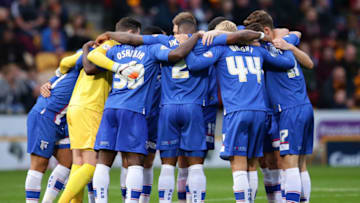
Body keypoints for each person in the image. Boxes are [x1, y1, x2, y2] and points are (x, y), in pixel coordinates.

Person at [90, 18, 202, 203]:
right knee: (135, 163)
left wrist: (112, 61)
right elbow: (176, 54)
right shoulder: (153, 49)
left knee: (103, 161)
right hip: (134, 110)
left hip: (110, 108)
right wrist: (195, 37)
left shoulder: (115, 50)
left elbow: (91, 61)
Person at [184, 20, 295, 203]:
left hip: (237, 111)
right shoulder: (258, 50)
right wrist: (284, 45)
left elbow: (195, 65)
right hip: (260, 112)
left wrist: (188, 45)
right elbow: (287, 62)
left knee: (238, 164)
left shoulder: (221, 50)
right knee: (252, 164)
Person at [57, 20, 133, 202]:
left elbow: (65, 62)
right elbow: (91, 67)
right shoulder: (112, 47)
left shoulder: (94, 49)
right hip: (91, 107)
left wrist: (58, 75)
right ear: (129, 33)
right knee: (92, 165)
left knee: (79, 162)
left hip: (75, 106)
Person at [243, 10, 314, 203]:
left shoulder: (266, 51)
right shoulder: (284, 43)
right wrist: (290, 43)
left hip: (289, 110)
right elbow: (308, 61)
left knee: (288, 163)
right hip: (304, 107)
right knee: (300, 164)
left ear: (265, 30)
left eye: (256, 34)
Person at [24, 50, 84, 203]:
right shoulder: (89, 55)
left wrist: (53, 78)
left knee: (68, 161)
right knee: (40, 164)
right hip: (47, 114)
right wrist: (54, 76)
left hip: (62, 118)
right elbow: (69, 61)